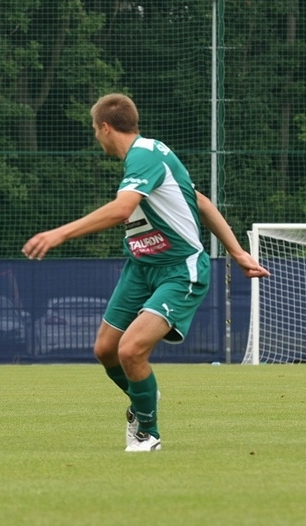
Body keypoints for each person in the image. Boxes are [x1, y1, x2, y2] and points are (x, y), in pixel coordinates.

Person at [22, 93, 270, 452]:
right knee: (106, 349)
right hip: (140, 268)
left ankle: (148, 432)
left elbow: (123, 210)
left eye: (95, 130)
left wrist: (59, 233)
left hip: (179, 270)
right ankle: (145, 395)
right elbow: (199, 200)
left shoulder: (145, 154)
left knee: (132, 350)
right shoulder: (146, 159)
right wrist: (238, 252)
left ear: (106, 127)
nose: (96, 137)